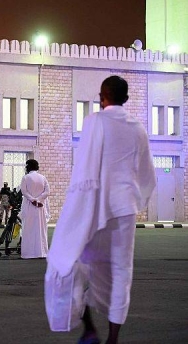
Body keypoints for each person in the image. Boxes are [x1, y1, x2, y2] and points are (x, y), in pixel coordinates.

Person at [46, 76, 156, 344]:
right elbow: (147, 174)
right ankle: (113, 338)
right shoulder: (138, 128)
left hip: (93, 208)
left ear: (101, 97)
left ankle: (89, 327)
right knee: (121, 272)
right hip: (124, 210)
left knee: (72, 260)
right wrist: (134, 198)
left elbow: (83, 167)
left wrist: (77, 207)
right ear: (126, 99)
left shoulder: (94, 121)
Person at [19, 159, 50, 259]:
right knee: (41, 229)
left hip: (29, 206)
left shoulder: (26, 177)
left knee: (28, 229)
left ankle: (28, 253)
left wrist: (33, 200)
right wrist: (39, 200)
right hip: (40, 207)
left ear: (28, 167)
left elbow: (24, 191)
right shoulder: (43, 178)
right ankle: (42, 252)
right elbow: (47, 191)